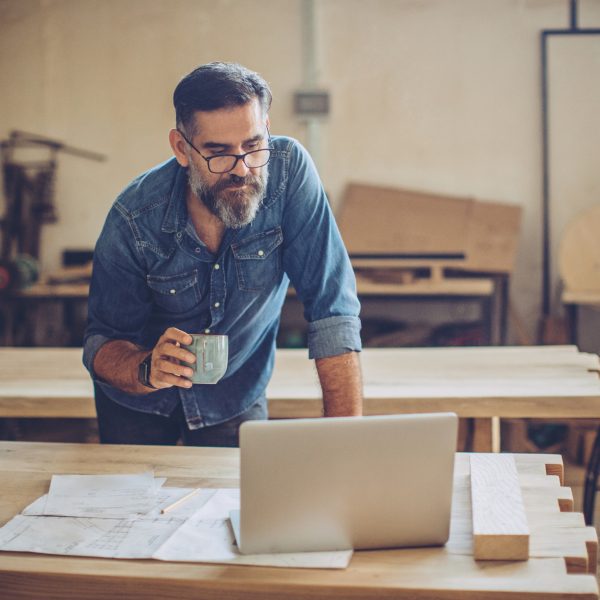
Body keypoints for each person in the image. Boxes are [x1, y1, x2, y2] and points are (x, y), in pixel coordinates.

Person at [83, 62, 362, 447]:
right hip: (138, 405)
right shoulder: (133, 218)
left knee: (242, 503)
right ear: (182, 148)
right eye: (218, 153)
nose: (242, 170)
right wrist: (147, 367)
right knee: (133, 507)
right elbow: (103, 343)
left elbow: (332, 311)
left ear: (266, 128)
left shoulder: (289, 174)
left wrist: (346, 444)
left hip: (235, 394)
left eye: (252, 146)